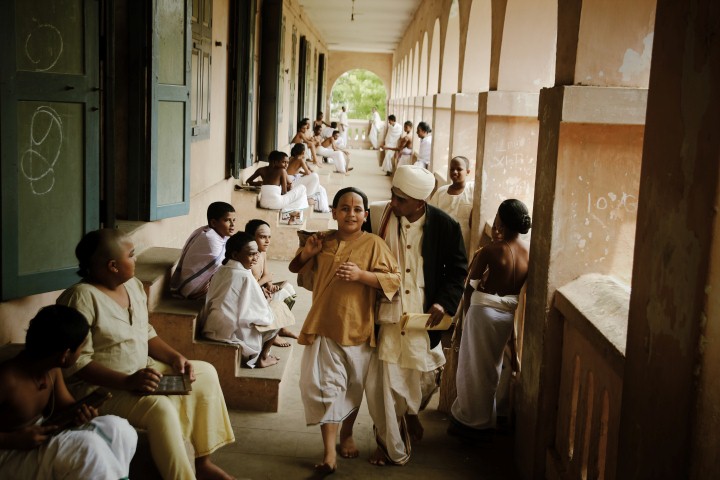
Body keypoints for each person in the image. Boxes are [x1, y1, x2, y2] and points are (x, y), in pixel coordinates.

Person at [57, 229, 235, 480]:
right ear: (113, 266)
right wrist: (128, 381)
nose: (136, 259)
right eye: (131, 255)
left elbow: (145, 331)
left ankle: (202, 462)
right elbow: (78, 363)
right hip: (101, 389)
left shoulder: (132, 285)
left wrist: (175, 357)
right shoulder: (80, 298)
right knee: (159, 409)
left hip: (143, 370)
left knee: (205, 372)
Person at [289, 187, 400, 475]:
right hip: (324, 325)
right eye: (344, 208)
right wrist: (307, 253)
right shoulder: (321, 240)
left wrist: (362, 276)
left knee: (352, 388)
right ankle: (328, 455)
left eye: (357, 209)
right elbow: (295, 267)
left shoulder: (374, 244)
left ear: (365, 215)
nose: (351, 213)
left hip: (358, 328)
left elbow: (394, 280)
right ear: (334, 212)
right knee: (327, 388)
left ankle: (347, 434)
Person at [366, 165, 467, 466]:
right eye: (393, 196)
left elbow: (458, 270)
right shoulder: (380, 217)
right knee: (386, 381)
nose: (393, 204)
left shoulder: (446, 226)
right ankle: (389, 443)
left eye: (400, 200)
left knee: (418, 377)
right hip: (389, 313)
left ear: (420, 202)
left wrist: (444, 303)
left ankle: (410, 415)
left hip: (423, 317)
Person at [0, 305, 137, 479]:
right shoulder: (7, 379)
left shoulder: (51, 371)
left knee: (118, 428)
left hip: (40, 438)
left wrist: (81, 414)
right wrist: (12, 440)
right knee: (86, 447)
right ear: (65, 354)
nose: (82, 353)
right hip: (9, 452)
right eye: (81, 347)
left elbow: (66, 408)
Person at [449, 200, 530, 441]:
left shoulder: (491, 250)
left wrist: (463, 320)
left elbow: (469, 287)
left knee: (472, 366)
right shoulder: (529, 252)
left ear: (501, 221)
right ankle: (486, 419)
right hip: (506, 317)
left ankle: (470, 421)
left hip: (482, 313)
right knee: (492, 369)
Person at [201, 232, 292, 369]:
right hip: (232, 333)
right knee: (279, 311)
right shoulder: (244, 275)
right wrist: (266, 303)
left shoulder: (223, 269)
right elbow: (262, 317)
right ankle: (261, 358)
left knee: (272, 307)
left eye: (257, 253)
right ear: (235, 255)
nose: (256, 258)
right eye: (251, 254)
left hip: (213, 327)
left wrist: (262, 299)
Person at [245, 218, 299, 347]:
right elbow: (248, 288)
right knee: (280, 297)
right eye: (263, 237)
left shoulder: (262, 252)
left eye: (269, 237)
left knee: (289, 289)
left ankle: (281, 328)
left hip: (262, 291)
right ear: (251, 237)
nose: (267, 241)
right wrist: (265, 281)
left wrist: (270, 285)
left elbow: (266, 274)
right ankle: (272, 334)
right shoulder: (247, 256)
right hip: (252, 298)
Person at [170, 202, 237, 299]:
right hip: (194, 287)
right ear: (214, 223)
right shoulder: (210, 238)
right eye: (227, 220)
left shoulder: (209, 231)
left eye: (234, 220)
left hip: (194, 282)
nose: (232, 224)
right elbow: (221, 267)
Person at [429, 156, 475, 254]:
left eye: (459, 169)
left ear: (468, 172)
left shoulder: (472, 191)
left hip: (464, 245)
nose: (454, 172)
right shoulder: (441, 192)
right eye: (452, 169)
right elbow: (430, 216)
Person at [287, 144, 330, 213]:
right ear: (303, 152)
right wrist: (307, 171)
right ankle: (308, 197)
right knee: (315, 176)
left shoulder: (291, 158)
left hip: (292, 180)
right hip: (291, 182)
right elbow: (309, 173)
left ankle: (323, 208)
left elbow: (296, 171)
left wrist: (304, 172)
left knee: (321, 188)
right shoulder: (300, 160)